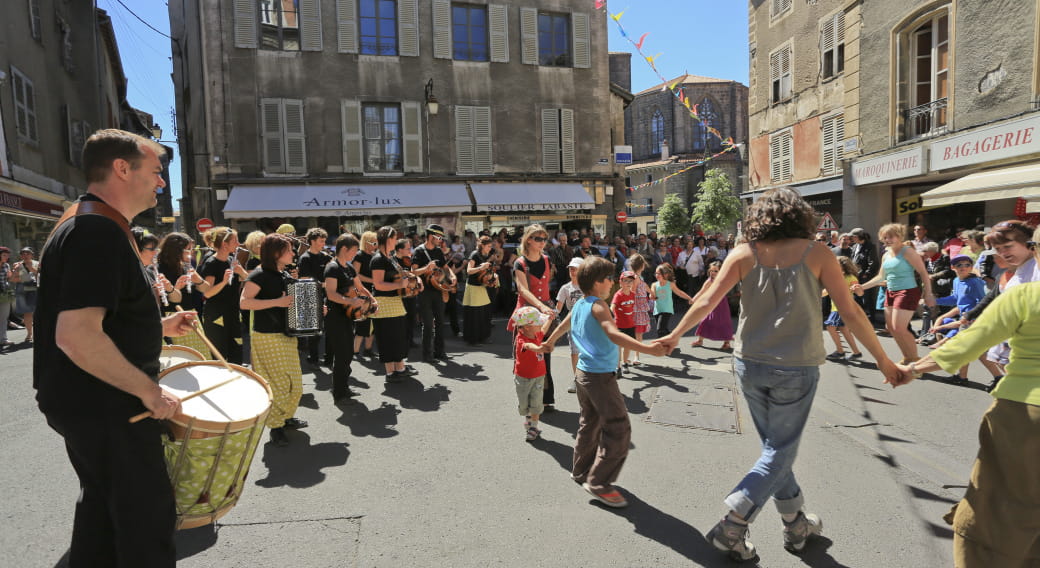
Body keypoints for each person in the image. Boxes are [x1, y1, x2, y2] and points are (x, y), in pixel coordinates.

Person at [655, 187, 900, 561]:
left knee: (775, 449)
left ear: (758, 219)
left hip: (749, 363)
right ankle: (733, 524)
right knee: (780, 451)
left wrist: (675, 334)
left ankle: (795, 523)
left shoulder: (743, 253)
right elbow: (849, 311)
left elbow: (707, 300)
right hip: (796, 364)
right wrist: (884, 360)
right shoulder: (817, 252)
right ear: (799, 217)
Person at [33, 129, 196, 566]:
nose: (162, 183)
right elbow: (77, 334)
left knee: (103, 516)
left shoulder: (89, 222)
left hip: (91, 403)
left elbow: (98, 320)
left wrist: (158, 326)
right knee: (145, 523)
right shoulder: (95, 231)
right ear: (123, 168)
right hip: (111, 407)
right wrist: (148, 391)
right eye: (157, 172)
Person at [892, 263, 1039, 568]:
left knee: (994, 511)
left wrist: (912, 369)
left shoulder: (1027, 295)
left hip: (1024, 413)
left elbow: (969, 343)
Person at [542, 257, 666, 508]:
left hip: (584, 375)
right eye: (609, 278)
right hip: (599, 377)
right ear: (598, 283)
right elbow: (613, 333)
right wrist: (648, 349)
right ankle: (598, 482)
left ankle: (580, 471)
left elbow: (565, 322)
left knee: (590, 424)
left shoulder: (580, 303)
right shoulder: (599, 305)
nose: (612, 283)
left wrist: (551, 340)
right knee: (618, 427)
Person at [240, 233, 306, 447]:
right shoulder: (259, 275)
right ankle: (276, 426)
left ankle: (286, 416)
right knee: (278, 384)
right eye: (289, 250)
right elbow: (244, 303)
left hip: (286, 335)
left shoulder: (283, 273)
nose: (293, 253)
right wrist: (277, 302)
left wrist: (313, 310)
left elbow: (291, 302)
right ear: (276, 253)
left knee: (295, 385)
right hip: (267, 336)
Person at [855, 224, 936, 364]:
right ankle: (907, 357)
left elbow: (923, 273)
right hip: (890, 292)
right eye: (884, 237)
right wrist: (862, 287)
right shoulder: (886, 255)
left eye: (891, 236)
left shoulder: (908, 251)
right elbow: (880, 277)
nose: (887, 239)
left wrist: (928, 293)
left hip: (907, 292)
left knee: (899, 328)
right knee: (891, 329)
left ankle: (915, 360)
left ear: (899, 236)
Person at [324, 233, 375, 404]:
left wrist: (372, 300)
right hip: (334, 316)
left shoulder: (349, 267)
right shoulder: (332, 268)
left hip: (348, 316)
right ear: (344, 249)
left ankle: (343, 387)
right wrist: (350, 301)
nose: (355, 254)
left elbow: (360, 287)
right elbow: (330, 294)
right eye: (353, 251)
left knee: (348, 353)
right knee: (342, 354)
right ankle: (339, 392)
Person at [512, 225, 558, 410]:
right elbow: (522, 289)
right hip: (527, 314)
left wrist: (548, 305)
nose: (542, 242)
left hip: (544, 311)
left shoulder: (546, 259)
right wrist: (540, 306)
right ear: (528, 240)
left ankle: (546, 398)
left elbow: (547, 283)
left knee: (544, 354)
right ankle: (526, 396)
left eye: (544, 239)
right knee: (525, 357)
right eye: (538, 239)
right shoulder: (520, 263)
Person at [369, 226, 419, 383]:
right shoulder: (378, 259)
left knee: (398, 337)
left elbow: (400, 276)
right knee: (387, 338)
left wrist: (414, 280)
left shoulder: (389, 257)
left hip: (395, 303)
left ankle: (400, 368)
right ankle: (390, 372)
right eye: (394, 238)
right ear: (388, 239)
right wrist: (400, 285)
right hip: (384, 304)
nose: (396, 241)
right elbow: (378, 285)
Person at [198, 227, 249, 364]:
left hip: (232, 311)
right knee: (219, 354)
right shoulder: (211, 263)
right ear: (225, 244)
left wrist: (242, 272)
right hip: (216, 314)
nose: (238, 244)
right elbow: (207, 293)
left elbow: (247, 280)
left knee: (237, 350)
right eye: (235, 241)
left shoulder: (231, 260)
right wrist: (224, 282)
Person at [157, 232, 209, 356]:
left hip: (190, 314)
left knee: (201, 354)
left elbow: (206, 288)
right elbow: (167, 299)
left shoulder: (186, 267)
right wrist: (176, 288)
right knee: (184, 356)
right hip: (173, 317)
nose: (191, 253)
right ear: (176, 251)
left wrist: (198, 280)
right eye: (187, 250)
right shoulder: (160, 269)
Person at [413, 224, 455, 362]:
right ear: (431, 236)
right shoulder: (419, 251)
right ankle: (427, 354)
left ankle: (440, 351)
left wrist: (452, 276)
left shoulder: (438, 251)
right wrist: (426, 268)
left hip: (438, 290)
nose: (441, 240)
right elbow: (413, 272)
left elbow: (445, 267)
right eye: (439, 237)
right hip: (424, 292)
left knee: (441, 322)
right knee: (428, 324)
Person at [511, 306, 553, 442]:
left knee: (536, 401)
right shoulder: (521, 339)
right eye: (538, 322)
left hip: (539, 376)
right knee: (524, 404)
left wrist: (550, 320)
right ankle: (528, 419)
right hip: (523, 377)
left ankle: (533, 427)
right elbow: (529, 347)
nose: (541, 324)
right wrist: (539, 348)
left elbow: (544, 329)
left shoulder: (536, 334)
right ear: (528, 327)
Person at [298, 227, 332, 366]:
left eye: (324, 241)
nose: (323, 244)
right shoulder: (305, 258)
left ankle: (329, 357)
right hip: (311, 296)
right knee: (315, 331)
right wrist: (324, 284)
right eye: (321, 241)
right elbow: (305, 278)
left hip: (327, 296)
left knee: (329, 329)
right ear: (312, 241)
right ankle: (314, 357)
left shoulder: (326, 257)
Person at [686, 260, 735, 350]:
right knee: (705, 321)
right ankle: (700, 340)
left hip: (722, 304)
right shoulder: (709, 281)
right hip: (711, 303)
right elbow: (702, 291)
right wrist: (693, 299)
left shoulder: (723, 279)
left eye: (715, 271)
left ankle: (727, 342)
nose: (713, 272)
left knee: (724, 322)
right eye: (711, 270)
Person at [823, 256, 864, 361]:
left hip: (843, 307)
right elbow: (826, 291)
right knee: (844, 329)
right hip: (835, 307)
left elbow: (860, 293)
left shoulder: (851, 278)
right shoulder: (834, 277)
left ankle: (840, 351)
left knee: (830, 326)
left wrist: (857, 289)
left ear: (843, 265)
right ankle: (856, 352)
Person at [555, 257, 586, 394]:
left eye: (575, 269)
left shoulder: (588, 286)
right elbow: (558, 308)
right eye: (571, 269)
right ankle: (577, 379)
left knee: (588, 352)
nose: (573, 271)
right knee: (575, 353)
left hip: (588, 323)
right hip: (573, 324)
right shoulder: (565, 288)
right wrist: (548, 315)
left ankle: (589, 379)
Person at [463, 235, 494, 345]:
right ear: (483, 245)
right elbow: (469, 270)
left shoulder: (486, 255)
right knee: (475, 315)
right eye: (489, 246)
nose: (490, 248)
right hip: (473, 287)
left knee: (484, 314)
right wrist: (481, 267)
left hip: (481, 286)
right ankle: (473, 339)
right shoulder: (474, 254)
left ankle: (483, 337)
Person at [352, 230, 378, 359]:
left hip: (374, 291)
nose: (376, 245)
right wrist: (372, 280)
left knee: (372, 322)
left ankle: (368, 349)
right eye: (373, 242)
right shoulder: (359, 255)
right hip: (362, 291)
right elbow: (355, 275)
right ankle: (355, 351)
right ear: (366, 243)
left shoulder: (375, 256)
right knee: (362, 322)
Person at [651, 263, 691, 337]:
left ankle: (661, 345)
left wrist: (689, 298)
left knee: (660, 329)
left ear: (665, 275)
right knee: (664, 329)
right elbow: (652, 294)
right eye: (656, 273)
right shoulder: (654, 285)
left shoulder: (670, 284)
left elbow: (679, 292)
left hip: (667, 309)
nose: (657, 275)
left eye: (659, 273)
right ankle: (671, 338)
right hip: (657, 310)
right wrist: (652, 296)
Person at [849, 227, 880, 323]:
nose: (852, 239)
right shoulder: (854, 246)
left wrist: (866, 274)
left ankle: (871, 317)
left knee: (867, 297)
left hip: (864, 276)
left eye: (853, 237)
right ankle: (860, 315)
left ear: (858, 236)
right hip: (855, 275)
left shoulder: (870, 246)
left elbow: (873, 262)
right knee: (856, 296)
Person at [10, 247, 39, 343]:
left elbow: (40, 275)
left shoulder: (37, 263)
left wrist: (31, 268)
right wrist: (16, 271)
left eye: (27, 253)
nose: (25, 255)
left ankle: (40, 333)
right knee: (27, 313)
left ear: (32, 254)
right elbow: (12, 279)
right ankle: (29, 333)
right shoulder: (17, 265)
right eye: (23, 254)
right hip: (23, 290)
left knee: (38, 312)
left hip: (35, 289)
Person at [612, 271, 638, 369]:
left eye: (630, 281)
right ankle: (617, 367)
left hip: (630, 324)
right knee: (618, 346)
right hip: (619, 325)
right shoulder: (618, 295)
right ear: (621, 282)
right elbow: (612, 306)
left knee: (628, 345)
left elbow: (634, 307)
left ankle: (625, 362)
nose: (628, 283)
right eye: (626, 281)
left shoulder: (633, 294)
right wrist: (609, 314)